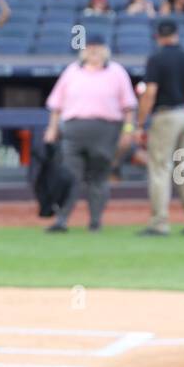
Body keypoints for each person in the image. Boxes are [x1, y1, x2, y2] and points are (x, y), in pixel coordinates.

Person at [43, 35, 137, 232]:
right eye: (90, 47)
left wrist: (128, 131)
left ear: (105, 50)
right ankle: (62, 220)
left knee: (99, 178)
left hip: (105, 131)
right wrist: (52, 128)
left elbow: (129, 107)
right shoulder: (72, 71)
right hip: (73, 131)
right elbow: (56, 105)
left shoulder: (116, 72)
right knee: (69, 177)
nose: (93, 51)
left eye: (97, 47)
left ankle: (95, 221)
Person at [136, 19, 184, 236]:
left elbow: (149, 93)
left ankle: (159, 223)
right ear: (177, 34)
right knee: (182, 167)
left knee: (160, 167)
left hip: (166, 115)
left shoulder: (156, 59)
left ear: (158, 35)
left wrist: (140, 124)